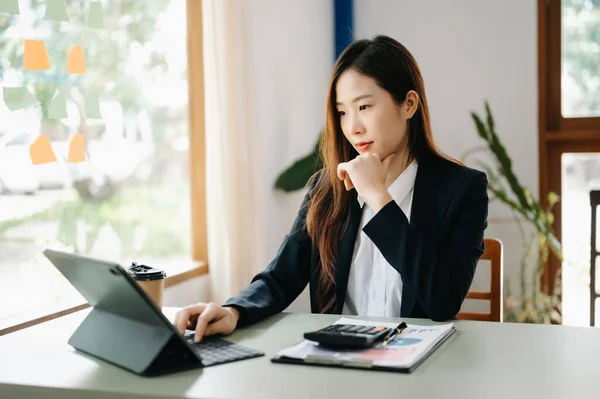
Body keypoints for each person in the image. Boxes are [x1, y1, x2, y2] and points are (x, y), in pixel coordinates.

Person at [174, 35, 489, 343]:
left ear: (408, 104)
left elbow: (442, 303)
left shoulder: (463, 189)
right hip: (340, 366)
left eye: (364, 107)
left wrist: (379, 199)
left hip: (422, 373)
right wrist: (233, 311)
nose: (353, 127)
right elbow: (280, 278)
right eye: (342, 112)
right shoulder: (327, 188)